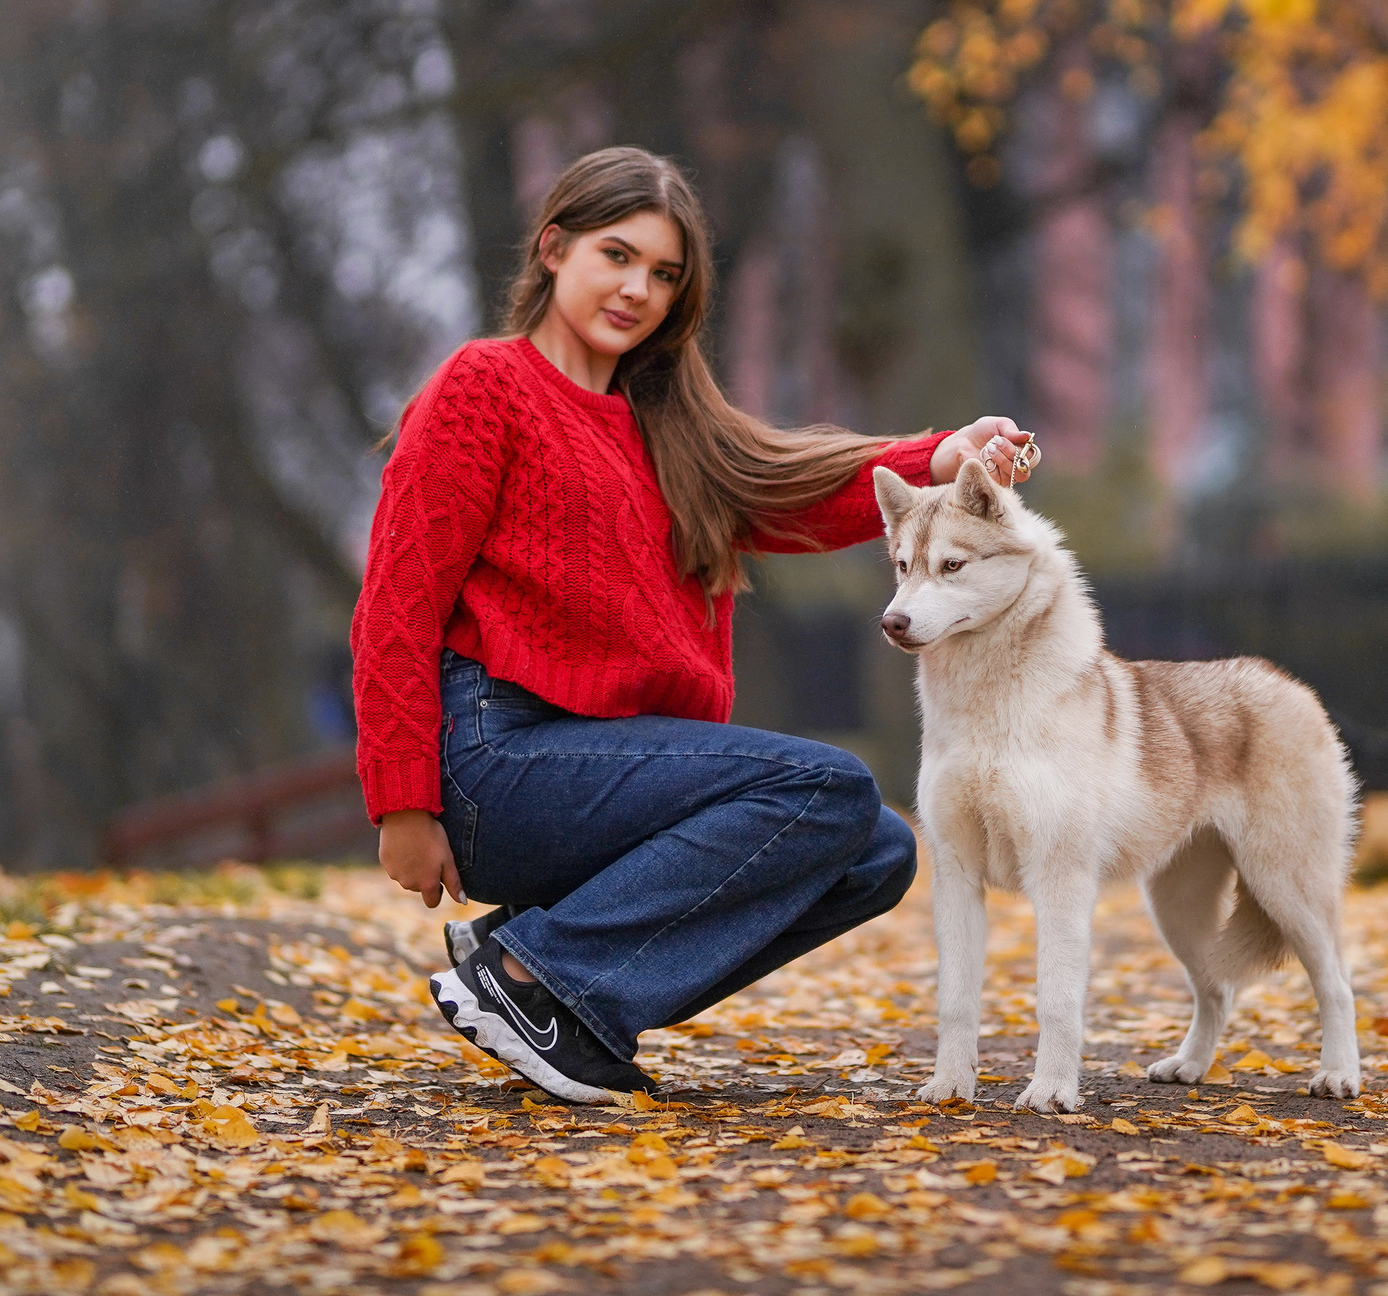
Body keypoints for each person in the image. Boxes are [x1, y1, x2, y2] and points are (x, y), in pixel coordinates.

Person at [352, 145, 1035, 1102]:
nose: (638, 289)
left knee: (876, 850)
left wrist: (939, 458)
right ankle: (537, 984)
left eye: (665, 274)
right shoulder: (484, 387)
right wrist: (403, 804)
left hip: (610, 767)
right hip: (495, 756)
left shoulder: (663, 422)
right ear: (553, 249)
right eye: (616, 256)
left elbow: (792, 489)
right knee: (826, 783)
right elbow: (394, 604)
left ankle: (544, 968)